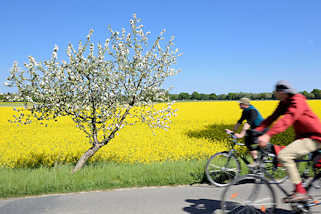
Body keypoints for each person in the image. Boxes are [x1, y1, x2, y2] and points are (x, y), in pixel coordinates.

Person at [256, 80, 321, 203]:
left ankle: (300, 192)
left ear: (283, 92)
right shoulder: (284, 102)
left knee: (284, 155)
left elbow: (288, 119)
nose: (275, 94)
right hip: (303, 137)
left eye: (276, 92)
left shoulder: (298, 100)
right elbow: (272, 117)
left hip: (315, 137)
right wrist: (256, 130)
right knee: (291, 160)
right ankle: (300, 193)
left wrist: (268, 135)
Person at [225, 97, 264, 166]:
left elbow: (248, 123)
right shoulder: (245, 111)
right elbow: (239, 122)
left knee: (249, 141)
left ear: (244, 104)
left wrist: (241, 135)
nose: (239, 105)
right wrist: (233, 131)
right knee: (248, 141)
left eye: (240, 104)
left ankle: (256, 161)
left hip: (261, 128)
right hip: (255, 129)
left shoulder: (252, 111)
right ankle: (257, 163)